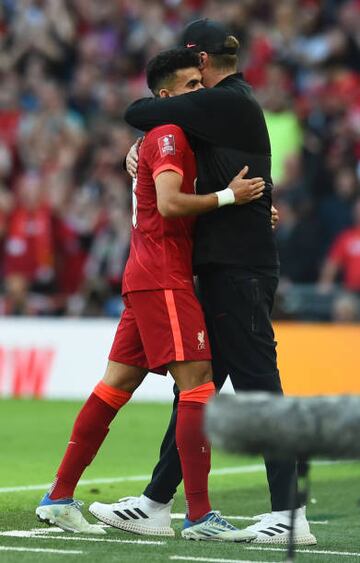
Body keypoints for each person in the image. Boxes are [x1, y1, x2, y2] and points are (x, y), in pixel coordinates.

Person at [90, 19, 317, 546]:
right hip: (230, 269)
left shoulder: (226, 101)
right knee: (196, 390)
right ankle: (155, 501)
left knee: (259, 388)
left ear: (204, 63)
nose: (195, 80)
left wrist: (145, 136)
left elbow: (139, 110)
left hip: (239, 272)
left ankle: (290, 512)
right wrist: (142, 153)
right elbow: (191, 153)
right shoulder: (225, 107)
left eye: (195, 71)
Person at [36, 48, 265, 541]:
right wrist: (231, 197)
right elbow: (170, 202)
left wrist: (244, 214)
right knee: (199, 383)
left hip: (147, 273)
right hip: (163, 276)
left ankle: (58, 496)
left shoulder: (175, 137)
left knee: (114, 387)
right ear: (165, 96)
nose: (199, 92)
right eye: (189, 87)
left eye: (200, 85)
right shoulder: (168, 133)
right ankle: (200, 517)